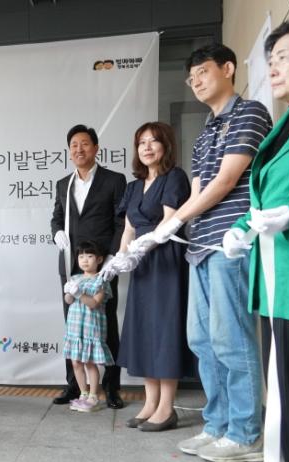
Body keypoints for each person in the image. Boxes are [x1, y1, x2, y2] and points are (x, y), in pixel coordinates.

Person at [141, 44, 271, 460]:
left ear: (228, 69)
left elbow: (226, 181)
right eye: (191, 76)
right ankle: (218, 426)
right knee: (202, 340)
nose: (195, 81)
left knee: (231, 338)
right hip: (199, 246)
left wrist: (172, 222)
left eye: (203, 72)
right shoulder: (203, 134)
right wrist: (167, 229)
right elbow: (197, 192)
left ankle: (246, 432)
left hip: (230, 242)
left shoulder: (250, 113)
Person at [222, 15, 289, 462]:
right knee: (286, 407)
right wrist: (242, 228)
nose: (273, 67)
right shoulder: (287, 121)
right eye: (271, 59)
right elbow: (272, 198)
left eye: (284, 56)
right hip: (275, 286)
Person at [113, 122, 191, 432]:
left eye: (153, 141)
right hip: (141, 263)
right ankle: (150, 402)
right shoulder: (133, 186)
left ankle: (167, 407)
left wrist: (143, 246)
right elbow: (129, 229)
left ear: (166, 145)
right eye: (141, 142)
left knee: (165, 329)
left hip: (166, 258)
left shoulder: (175, 177)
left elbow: (170, 221)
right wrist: (121, 257)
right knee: (144, 329)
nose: (146, 147)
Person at [50, 124, 126, 408]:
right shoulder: (63, 184)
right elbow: (57, 217)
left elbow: (121, 221)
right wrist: (56, 231)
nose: (78, 149)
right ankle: (75, 385)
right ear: (69, 152)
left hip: (102, 265)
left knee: (106, 323)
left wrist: (113, 256)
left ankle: (112, 387)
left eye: (84, 144)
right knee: (72, 324)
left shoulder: (114, 180)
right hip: (70, 263)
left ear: (95, 148)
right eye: (73, 145)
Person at [62, 241, 114, 412]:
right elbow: (69, 301)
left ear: (99, 259)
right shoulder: (75, 278)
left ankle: (93, 396)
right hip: (75, 329)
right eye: (81, 256)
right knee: (76, 362)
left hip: (91, 328)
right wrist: (68, 292)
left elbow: (94, 303)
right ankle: (83, 394)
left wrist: (78, 293)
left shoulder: (101, 280)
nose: (84, 260)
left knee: (90, 362)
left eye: (89, 256)